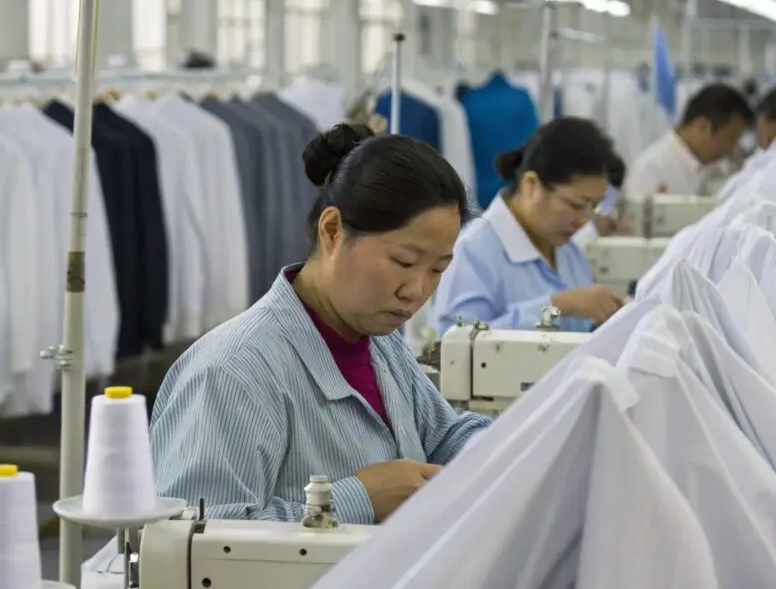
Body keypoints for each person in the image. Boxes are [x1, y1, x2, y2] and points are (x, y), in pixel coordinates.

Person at [150, 124, 491, 525]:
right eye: (403, 261)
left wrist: (501, 443)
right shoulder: (231, 373)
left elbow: (440, 438)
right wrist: (355, 500)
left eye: (437, 269)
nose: (416, 290)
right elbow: (192, 546)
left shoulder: (378, 343)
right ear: (332, 231)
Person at [431, 117, 626, 337]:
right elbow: (453, 345)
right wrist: (555, 307)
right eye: (576, 205)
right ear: (532, 185)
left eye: (593, 207)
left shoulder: (568, 252)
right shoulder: (473, 252)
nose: (584, 220)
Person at [625, 83, 753, 198]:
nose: (731, 150)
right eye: (729, 139)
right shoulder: (651, 171)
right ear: (702, 126)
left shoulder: (721, 167)